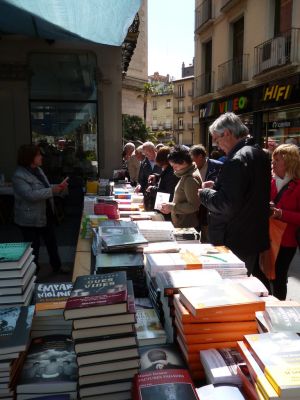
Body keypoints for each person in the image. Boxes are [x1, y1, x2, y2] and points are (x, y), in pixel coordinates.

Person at [199, 112, 271, 275]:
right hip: (250, 237)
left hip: (234, 240)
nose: (217, 145)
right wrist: (217, 187)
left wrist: (205, 193)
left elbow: (226, 204)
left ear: (227, 133)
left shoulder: (237, 159)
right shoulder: (258, 153)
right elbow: (246, 193)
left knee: (231, 291)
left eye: (217, 139)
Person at [12, 144, 68, 274]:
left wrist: (58, 187)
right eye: (38, 155)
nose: (41, 157)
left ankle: (57, 267)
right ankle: (32, 274)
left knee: (52, 243)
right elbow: (30, 195)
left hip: (45, 214)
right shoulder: (18, 175)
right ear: (29, 157)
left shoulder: (38, 170)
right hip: (29, 219)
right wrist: (52, 190)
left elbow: (44, 188)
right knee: (33, 248)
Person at [269, 144, 300, 300]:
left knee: (279, 276)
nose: (272, 164)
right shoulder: (271, 181)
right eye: (273, 160)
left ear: (289, 163)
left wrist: (282, 214)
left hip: (287, 241)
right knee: (267, 274)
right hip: (269, 236)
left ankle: (279, 308)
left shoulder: (298, 185)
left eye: (277, 160)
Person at [160, 145, 202, 228]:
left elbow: (194, 206)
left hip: (187, 225)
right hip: (183, 222)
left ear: (183, 162)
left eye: (175, 166)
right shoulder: (186, 173)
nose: (174, 169)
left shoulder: (190, 178)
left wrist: (172, 207)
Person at [190, 144, 223, 242]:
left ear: (200, 157)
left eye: (193, 158)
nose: (192, 162)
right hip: (195, 209)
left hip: (209, 209)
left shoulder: (218, 166)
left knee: (207, 239)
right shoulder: (192, 168)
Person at [146, 146, 179, 218]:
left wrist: (152, 189)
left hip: (167, 211)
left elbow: (167, 192)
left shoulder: (171, 172)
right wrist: (156, 177)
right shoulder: (168, 169)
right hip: (164, 209)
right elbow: (164, 179)